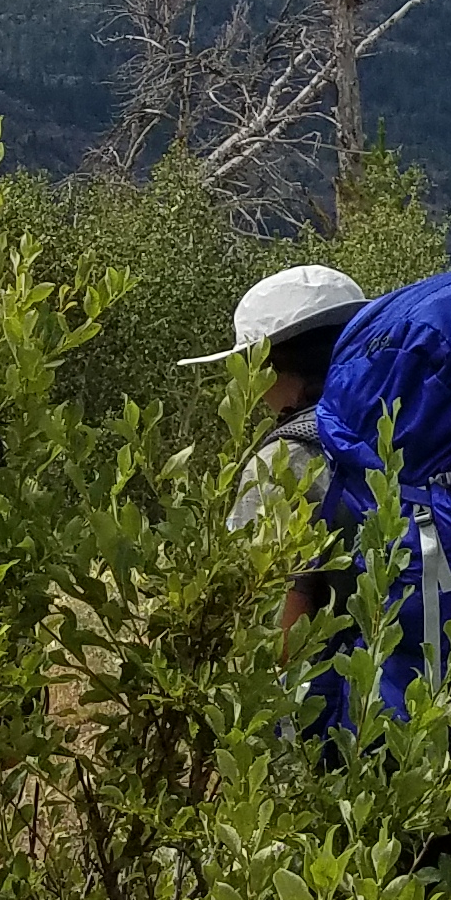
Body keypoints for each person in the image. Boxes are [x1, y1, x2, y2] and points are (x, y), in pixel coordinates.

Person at [184, 261, 369, 637]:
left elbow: (271, 629)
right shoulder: (402, 423)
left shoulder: (284, 460)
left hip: (342, 687)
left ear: (263, 368)